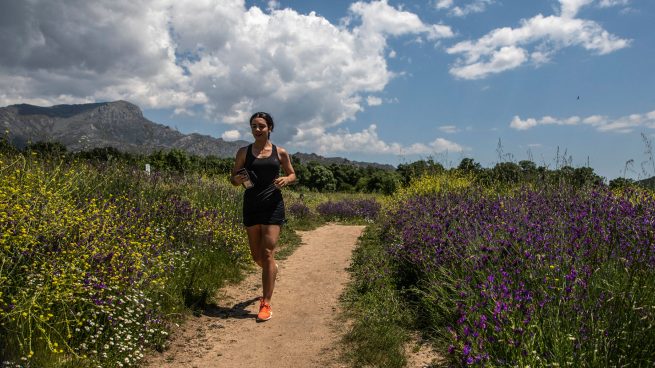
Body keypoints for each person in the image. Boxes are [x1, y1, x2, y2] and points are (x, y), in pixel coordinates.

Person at [230, 112, 296, 322]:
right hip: (251, 206)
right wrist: (238, 179)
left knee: (267, 252)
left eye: (261, 126)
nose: (257, 130)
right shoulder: (243, 152)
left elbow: (293, 174)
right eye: (253, 126)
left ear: (269, 128)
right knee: (257, 256)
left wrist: (286, 179)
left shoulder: (280, 152)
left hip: (273, 206)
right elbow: (233, 179)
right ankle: (271, 269)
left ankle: (265, 303)